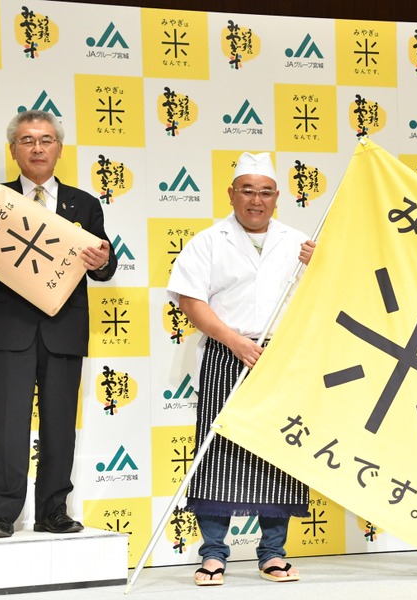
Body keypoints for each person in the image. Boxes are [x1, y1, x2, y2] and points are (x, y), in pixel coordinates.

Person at [0, 110, 116, 539]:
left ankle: (53, 510)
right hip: (9, 329)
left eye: (46, 140)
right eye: (27, 140)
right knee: (6, 423)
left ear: (59, 148)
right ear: (13, 150)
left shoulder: (83, 204)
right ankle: (1, 514)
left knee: (60, 423)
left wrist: (101, 263)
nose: (38, 148)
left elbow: (105, 264)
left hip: (64, 327)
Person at [166, 152, 315, 587]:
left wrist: (318, 265)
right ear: (231, 194)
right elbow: (191, 301)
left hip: (281, 358)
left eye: (265, 192)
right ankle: (212, 554)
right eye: (247, 190)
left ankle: (273, 554)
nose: (256, 200)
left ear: (277, 198)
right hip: (226, 352)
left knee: (278, 453)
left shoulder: (298, 242)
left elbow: (323, 298)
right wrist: (235, 341)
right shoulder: (209, 241)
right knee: (219, 454)